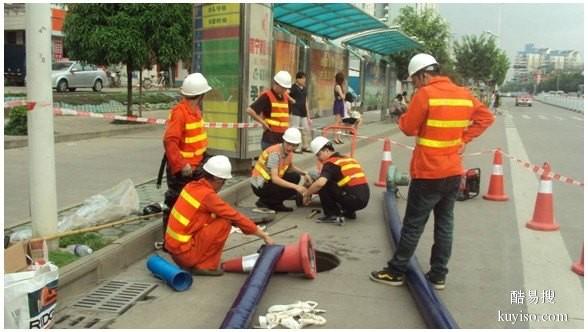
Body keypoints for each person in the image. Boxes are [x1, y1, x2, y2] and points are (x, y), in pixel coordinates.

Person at [370, 53, 494, 290]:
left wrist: (401, 113)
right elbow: (486, 118)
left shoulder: (425, 94)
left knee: (413, 224)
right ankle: (438, 275)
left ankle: (396, 271)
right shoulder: (464, 94)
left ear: (424, 74)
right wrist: (463, 139)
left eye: (415, 81)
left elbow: (408, 128)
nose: (414, 85)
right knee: (445, 224)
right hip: (453, 172)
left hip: (428, 172)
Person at [165, 155, 274, 276]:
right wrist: (263, 235)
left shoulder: (191, 186)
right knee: (224, 222)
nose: (223, 185)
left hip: (175, 251)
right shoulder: (207, 196)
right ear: (217, 180)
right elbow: (235, 216)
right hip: (185, 254)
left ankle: (196, 259)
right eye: (224, 181)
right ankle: (204, 266)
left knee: (214, 217)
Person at [158, 73, 212, 249]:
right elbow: (170, 141)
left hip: (194, 167)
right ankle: (169, 242)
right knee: (176, 204)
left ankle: (184, 238)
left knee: (190, 206)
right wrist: (181, 165)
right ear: (201, 95)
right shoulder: (180, 113)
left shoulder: (194, 111)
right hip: (183, 171)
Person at [303, 136, 370, 224]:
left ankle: (332, 215)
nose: (318, 159)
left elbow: (320, 183)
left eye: (319, 155)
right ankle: (349, 212)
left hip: (353, 199)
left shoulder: (331, 163)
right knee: (339, 183)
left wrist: (307, 194)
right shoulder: (348, 158)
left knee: (324, 184)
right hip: (364, 198)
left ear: (326, 150)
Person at [251, 127, 312, 212]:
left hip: (269, 180)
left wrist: (304, 173)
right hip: (259, 183)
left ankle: (276, 203)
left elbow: (290, 167)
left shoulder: (288, 152)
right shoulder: (275, 153)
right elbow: (275, 179)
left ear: (297, 145)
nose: (290, 148)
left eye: (294, 145)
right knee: (281, 186)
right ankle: (264, 202)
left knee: (295, 177)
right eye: (288, 144)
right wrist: (297, 187)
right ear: (284, 141)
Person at [247, 71, 293, 150]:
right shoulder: (267, 96)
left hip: (283, 139)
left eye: (286, 88)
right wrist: (263, 122)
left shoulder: (286, 97)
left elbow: (288, 115)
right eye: (283, 88)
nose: (285, 90)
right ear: (276, 84)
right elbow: (250, 110)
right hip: (270, 139)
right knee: (271, 161)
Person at [289, 72, 312, 153]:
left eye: (304, 78)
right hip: (295, 111)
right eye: (302, 78)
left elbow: (306, 101)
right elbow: (286, 94)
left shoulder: (304, 88)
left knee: (305, 129)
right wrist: (291, 100)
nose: (304, 80)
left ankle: (305, 146)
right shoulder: (293, 87)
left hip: (303, 111)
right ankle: (296, 147)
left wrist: (308, 116)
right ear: (297, 79)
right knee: (296, 129)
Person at [332, 72, 346, 144]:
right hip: (338, 103)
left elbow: (343, 96)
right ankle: (335, 138)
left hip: (341, 103)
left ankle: (339, 137)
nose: (344, 81)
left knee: (340, 122)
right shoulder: (337, 86)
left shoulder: (340, 86)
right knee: (337, 122)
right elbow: (343, 96)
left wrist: (342, 95)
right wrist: (342, 95)